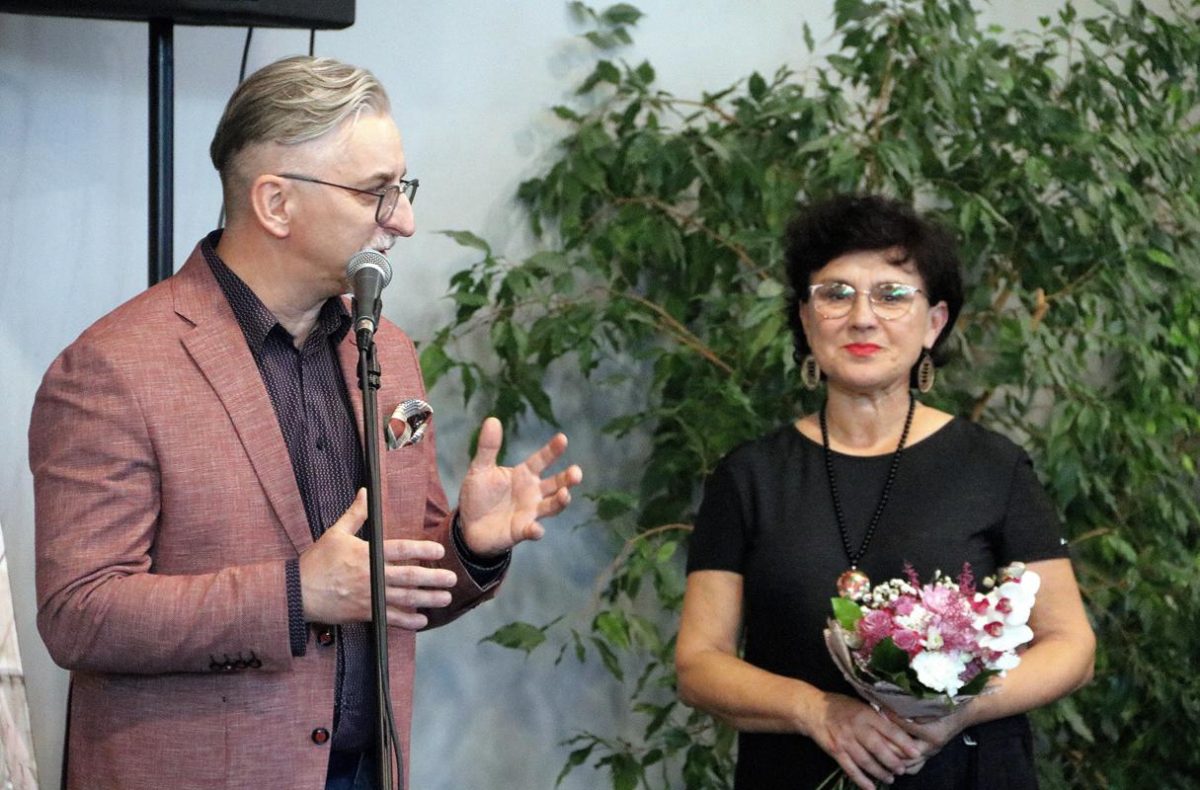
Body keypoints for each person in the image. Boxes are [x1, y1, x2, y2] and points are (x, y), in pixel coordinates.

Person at [29, 55, 582, 790]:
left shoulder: (386, 350)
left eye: (403, 189)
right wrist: (295, 596)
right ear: (276, 203)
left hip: (367, 769)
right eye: (376, 193)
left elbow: (390, 584)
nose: (404, 221)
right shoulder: (113, 368)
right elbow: (79, 614)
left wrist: (471, 546)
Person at [674, 194, 1094, 789]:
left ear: (934, 323)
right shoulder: (748, 477)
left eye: (892, 295)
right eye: (836, 294)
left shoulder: (993, 466)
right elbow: (698, 664)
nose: (862, 318)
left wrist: (957, 711)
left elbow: (1071, 645)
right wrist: (817, 711)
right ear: (805, 319)